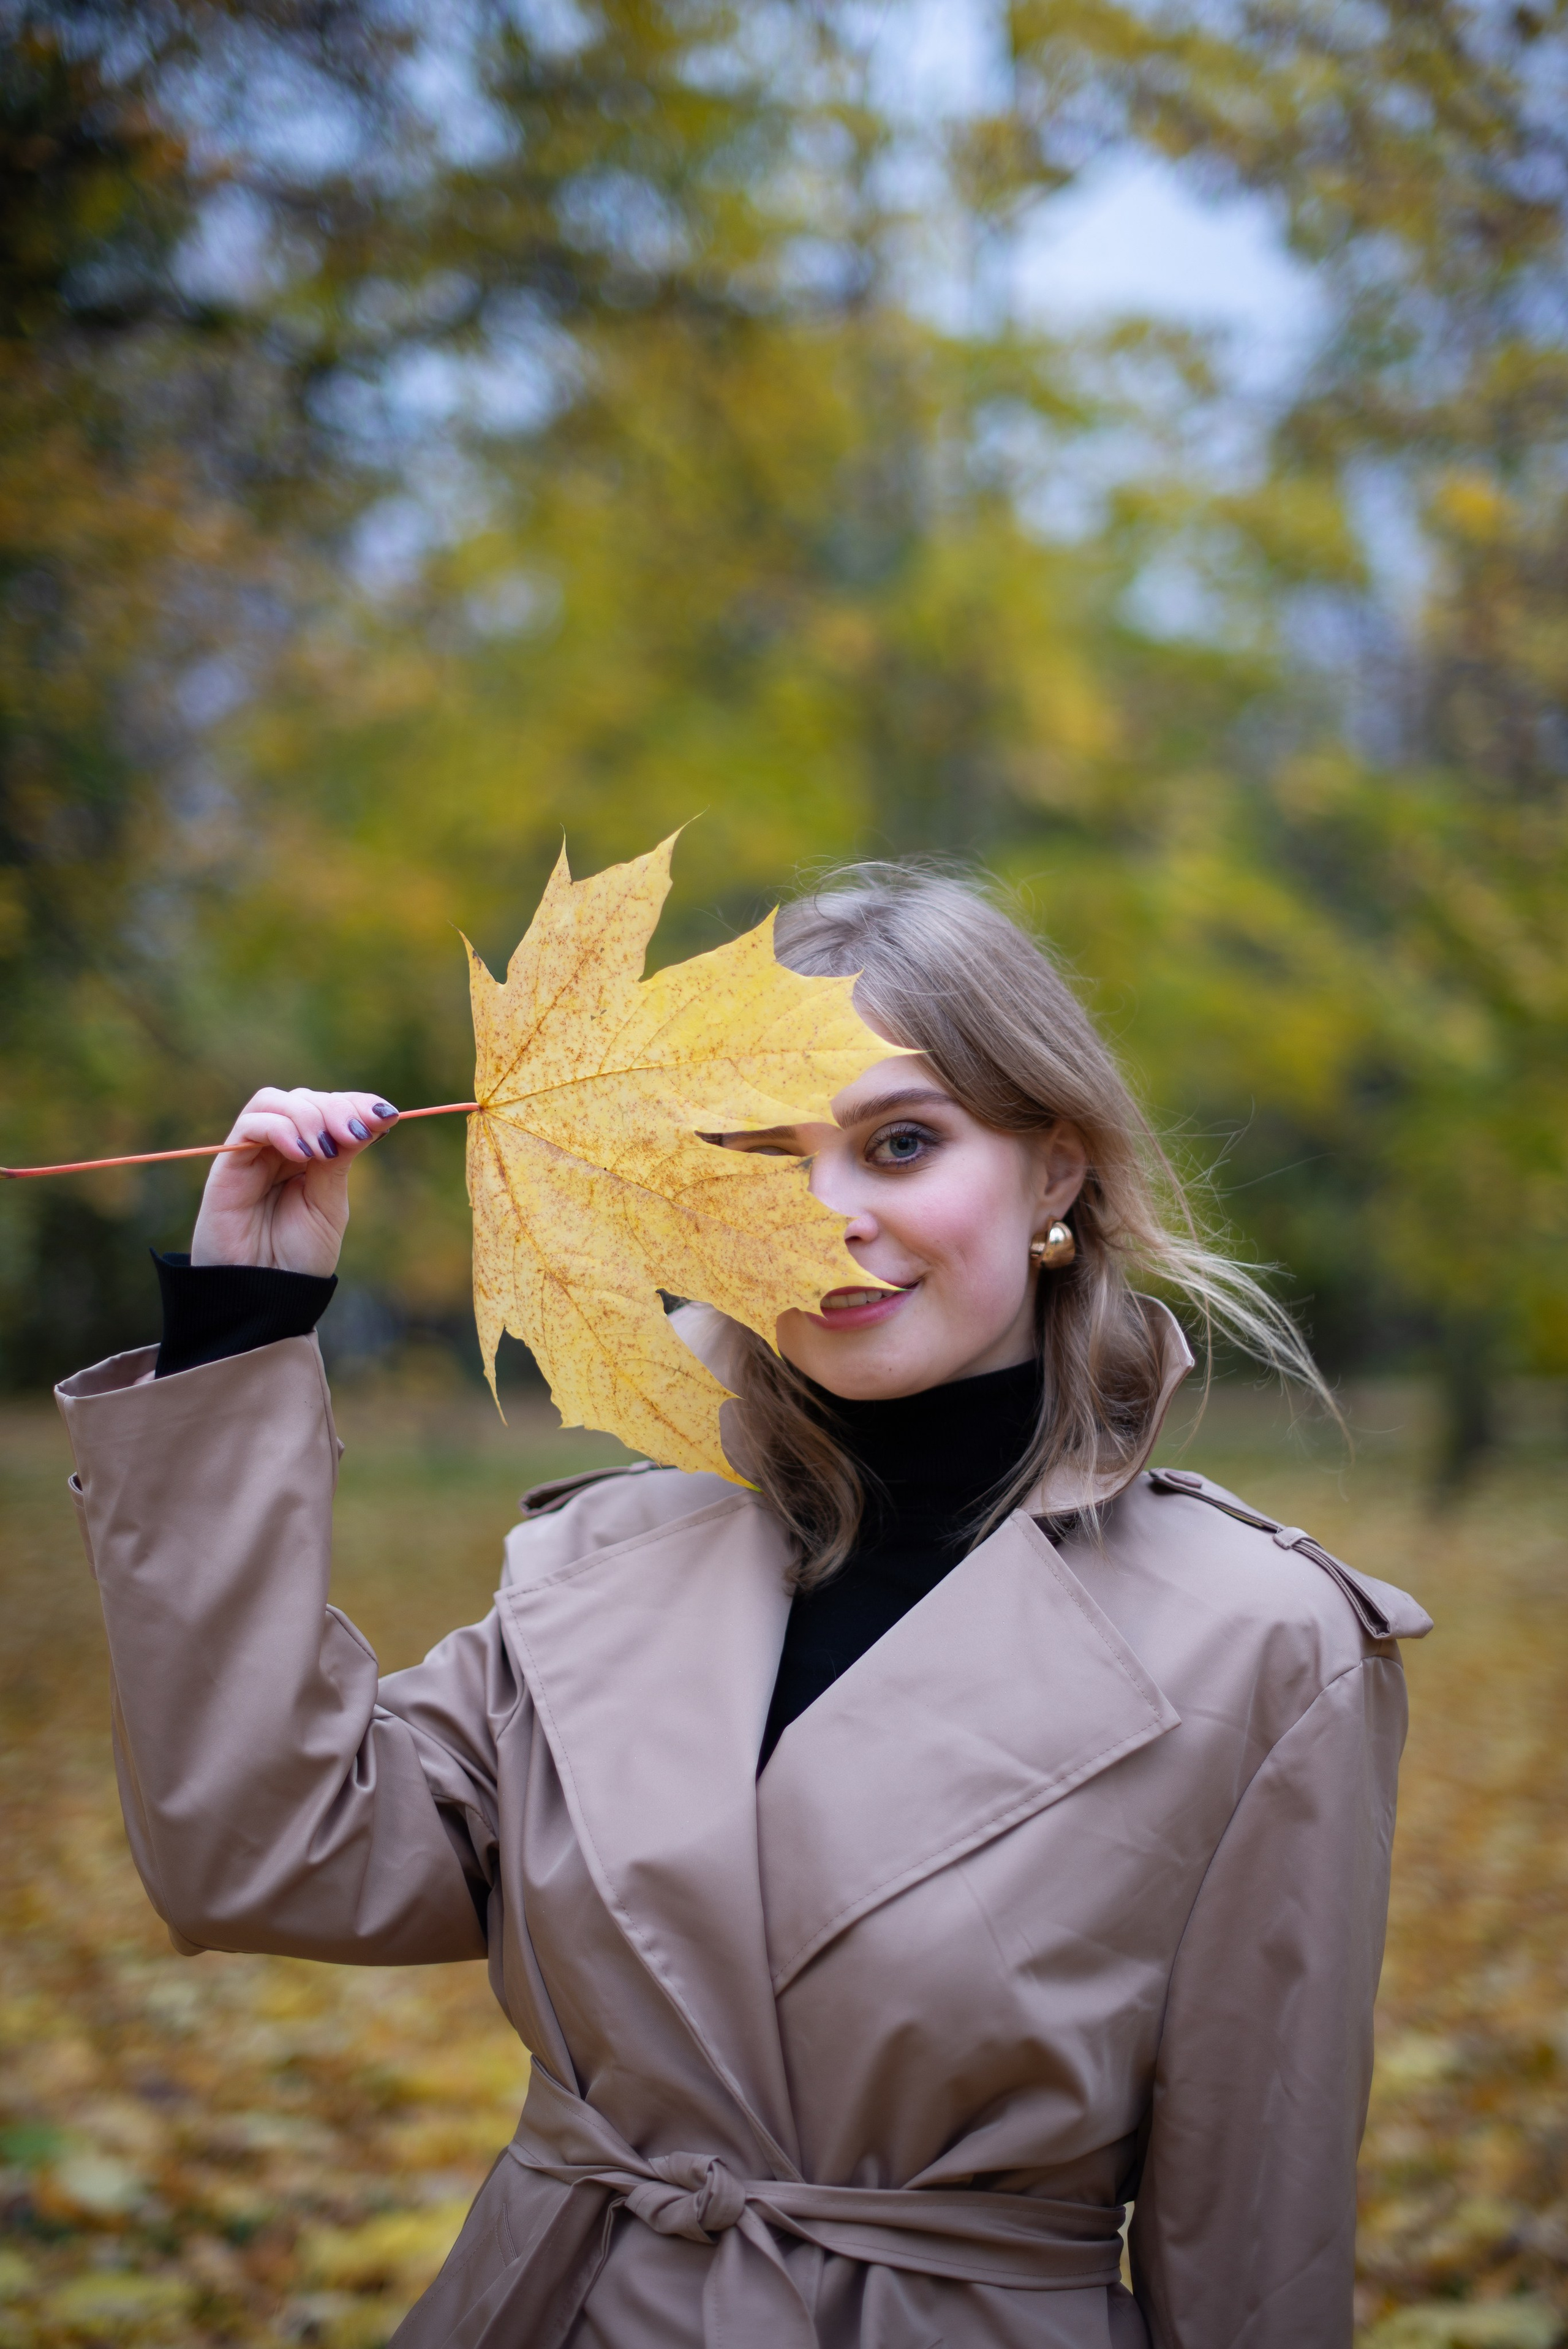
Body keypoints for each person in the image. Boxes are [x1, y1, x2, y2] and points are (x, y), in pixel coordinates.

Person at [56, 869, 1430, 2349]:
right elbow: (256, 1851)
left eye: (899, 1142)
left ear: (1056, 1171)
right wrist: (244, 1329)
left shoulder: (1261, 1645)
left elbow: (1252, 2248)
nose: (824, 1218)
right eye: (758, 1160)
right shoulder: (604, 1571)